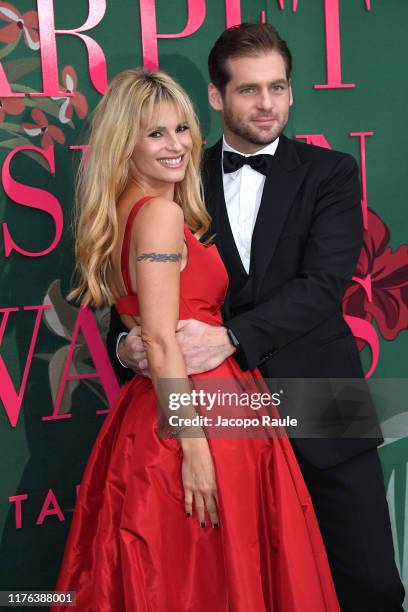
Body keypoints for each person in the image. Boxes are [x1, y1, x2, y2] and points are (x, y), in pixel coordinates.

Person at [108, 24, 405, 612]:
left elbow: (323, 286)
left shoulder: (332, 173)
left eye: (278, 87)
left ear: (292, 92)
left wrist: (230, 338)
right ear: (217, 98)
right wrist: (128, 346)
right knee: (252, 589)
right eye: (248, 90)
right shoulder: (178, 170)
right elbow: (145, 286)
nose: (267, 104)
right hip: (219, 417)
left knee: (371, 585)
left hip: (323, 399)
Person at [52, 67, 341, 611]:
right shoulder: (159, 215)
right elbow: (160, 341)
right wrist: (194, 450)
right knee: (211, 580)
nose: (177, 145)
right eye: (155, 133)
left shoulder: (124, 212)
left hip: (162, 412)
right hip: (196, 421)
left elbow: (144, 330)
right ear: (124, 143)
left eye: (182, 128)